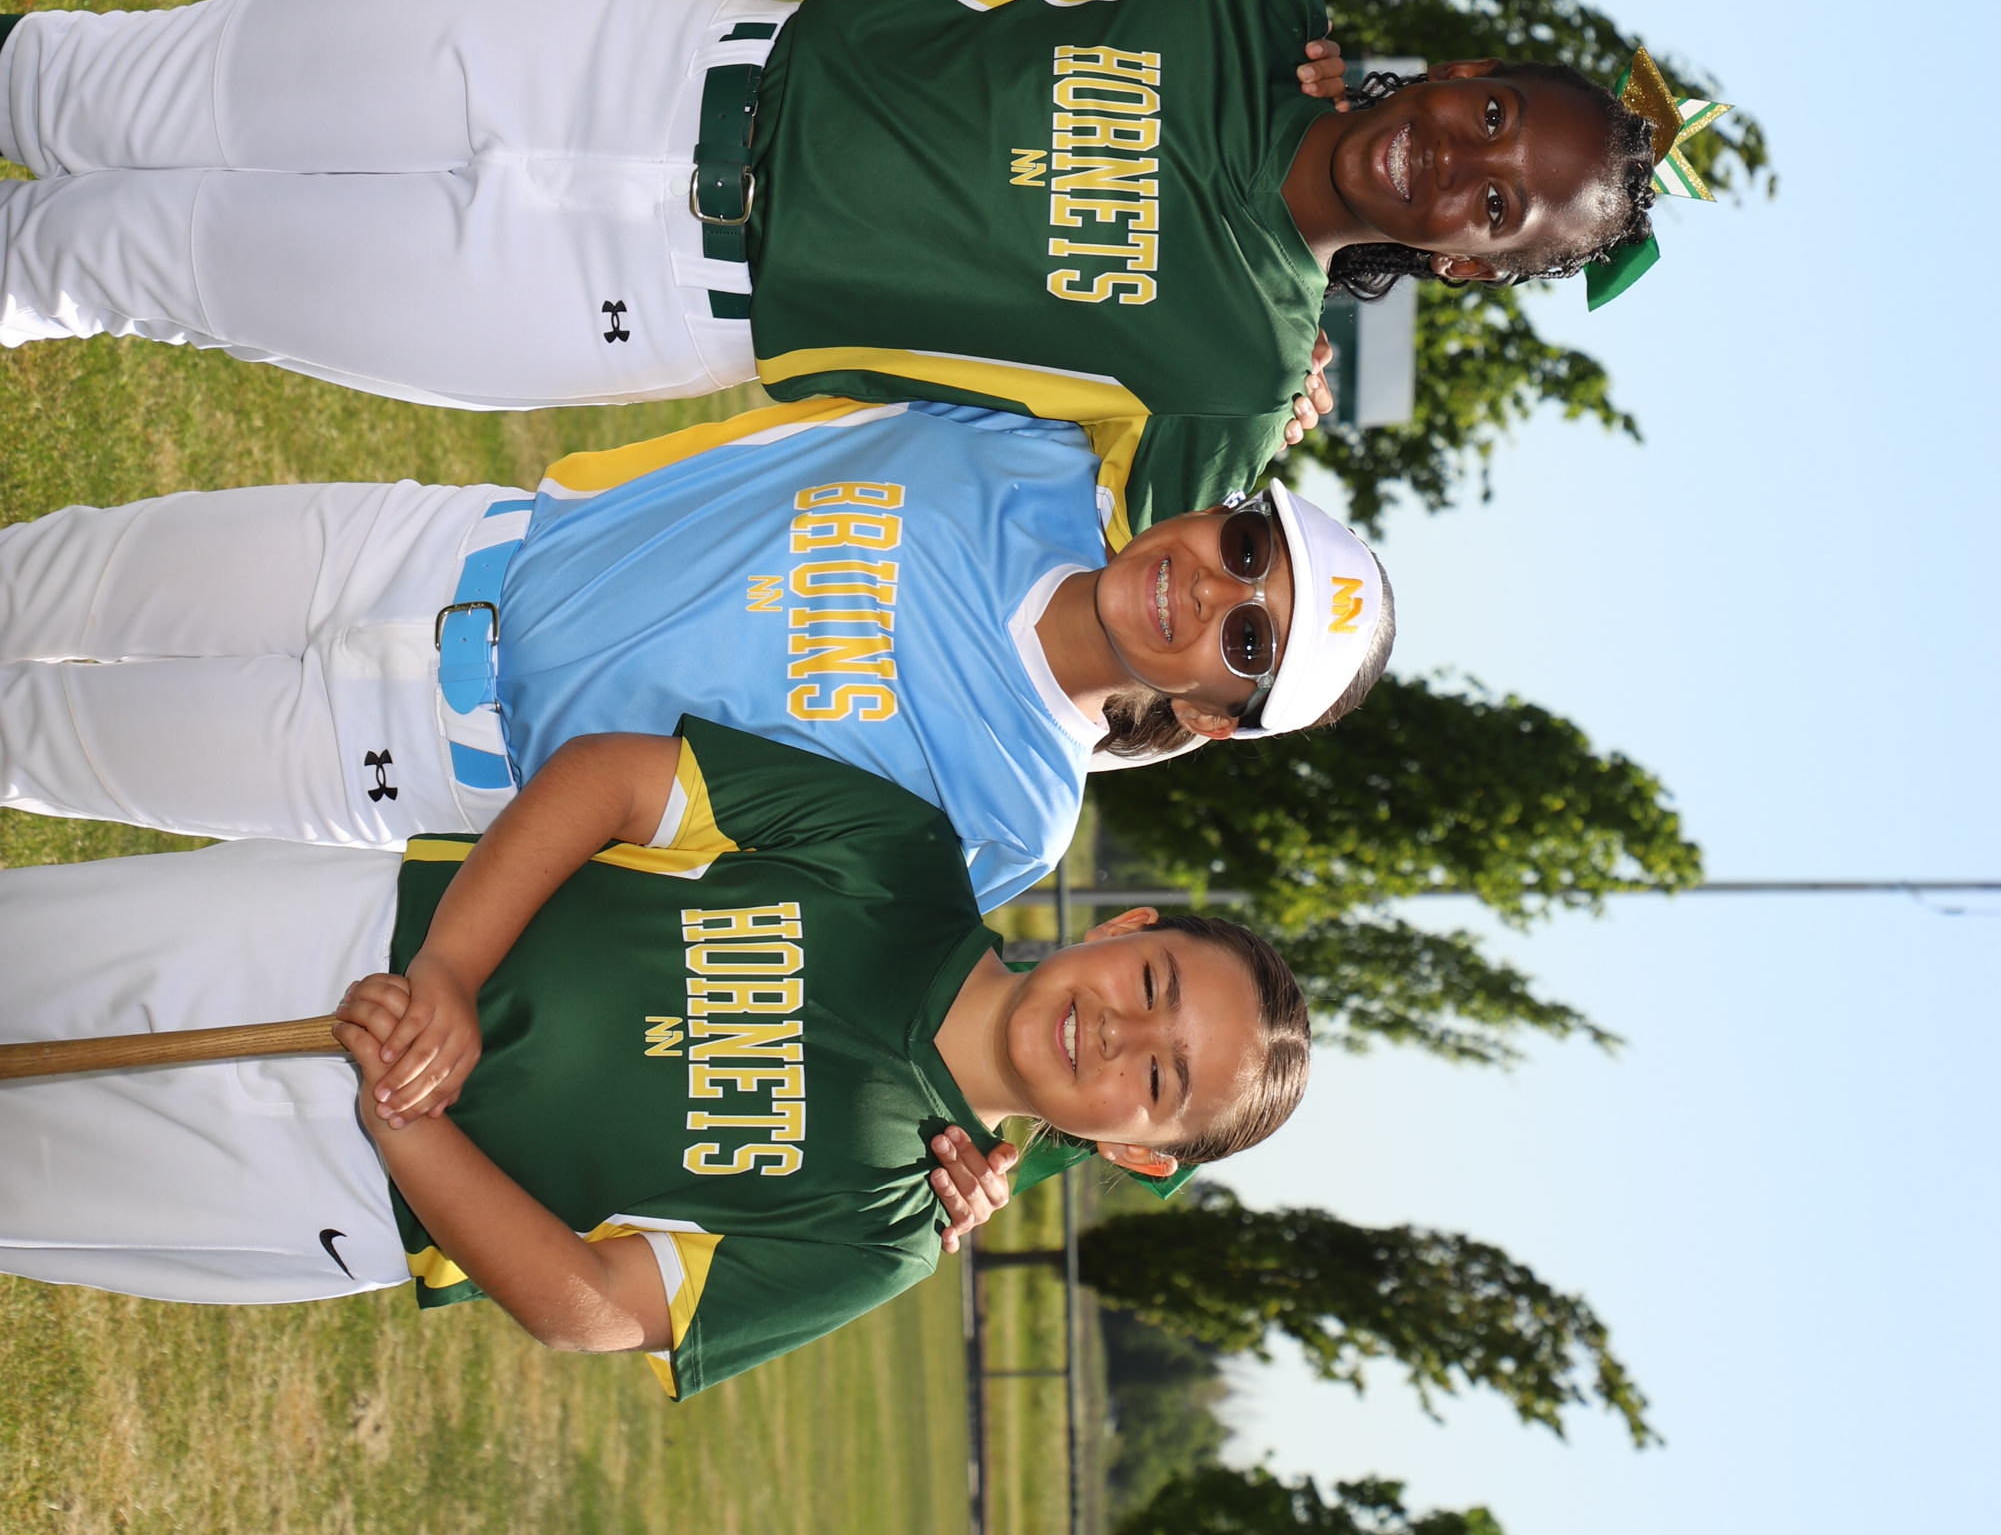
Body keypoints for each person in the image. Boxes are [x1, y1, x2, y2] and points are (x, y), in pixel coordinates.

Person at [0, 0, 1659, 533]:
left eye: (1494, 207)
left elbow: (1112, 652)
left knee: (131, 269)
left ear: (1464, 266)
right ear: (1465, 71)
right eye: (1492, 115)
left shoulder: (1231, 378)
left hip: (644, 299)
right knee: (114, 83)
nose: (1457, 160)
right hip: (642, 51)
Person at [0, 719, 1312, 1402]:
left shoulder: (885, 1232)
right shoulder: (902, 860)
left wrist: (408, 1124)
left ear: (1136, 1150)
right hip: (359, 937)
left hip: (348, 1190)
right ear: (1125, 930)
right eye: (1152, 985)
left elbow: (590, 1307)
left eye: (1161, 1081)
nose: (1122, 1032)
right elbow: (613, 782)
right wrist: (448, 973)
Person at [0, 391, 1392, 899]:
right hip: (437, 543)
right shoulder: (1040, 450)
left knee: (47, 746)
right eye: (1245, 546)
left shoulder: (1012, 817)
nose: (1208, 590)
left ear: (1213, 717)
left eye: (1247, 641)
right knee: (54, 569)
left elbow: (787, 936)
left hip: (429, 762)